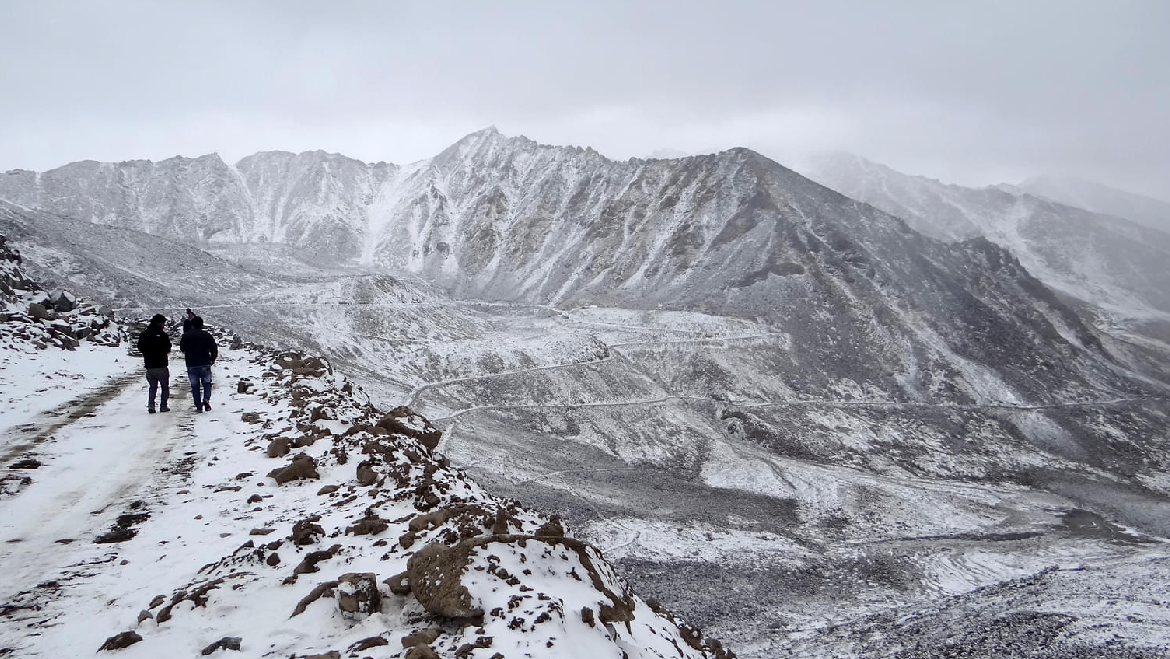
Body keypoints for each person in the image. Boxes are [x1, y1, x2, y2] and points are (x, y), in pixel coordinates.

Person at [179, 316, 218, 412]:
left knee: (195, 386)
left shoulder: (186, 335)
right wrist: (212, 359)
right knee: (207, 383)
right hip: (205, 362)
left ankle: (198, 406)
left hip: (191, 364)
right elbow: (214, 348)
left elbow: (182, 348)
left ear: (192, 325)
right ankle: (206, 399)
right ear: (202, 325)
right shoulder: (207, 335)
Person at [136, 314, 171, 413]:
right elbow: (168, 347)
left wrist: (146, 353)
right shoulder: (163, 335)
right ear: (159, 323)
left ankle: (151, 405)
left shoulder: (144, 334)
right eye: (163, 323)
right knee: (164, 387)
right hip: (161, 365)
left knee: (152, 387)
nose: (164, 325)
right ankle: (163, 406)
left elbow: (140, 346)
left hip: (149, 366)